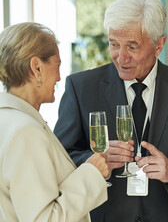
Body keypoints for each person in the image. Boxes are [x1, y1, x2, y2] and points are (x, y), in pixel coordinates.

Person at [54, 0, 168, 222]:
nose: (121, 57)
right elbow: (59, 159)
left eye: (132, 47)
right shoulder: (81, 87)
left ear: (159, 45)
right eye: (114, 44)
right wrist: (94, 162)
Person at [0, 22, 110, 221]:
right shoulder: (25, 132)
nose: (59, 77)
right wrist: (92, 173)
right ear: (36, 67)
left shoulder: (8, 120)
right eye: (57, 65)